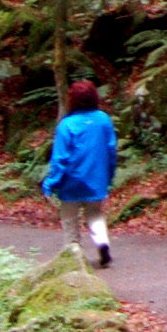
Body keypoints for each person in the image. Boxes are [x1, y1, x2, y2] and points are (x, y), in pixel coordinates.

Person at [42, 80, 118, 269]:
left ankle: (74, 254)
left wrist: (51, 183)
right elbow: (111, 150)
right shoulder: (103, 120)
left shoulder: (66, 124)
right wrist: (109, 175)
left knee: (69, 218)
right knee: (95, 213)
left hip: (71, 181)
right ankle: (102, 242)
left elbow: (60, 158)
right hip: (96, 178)